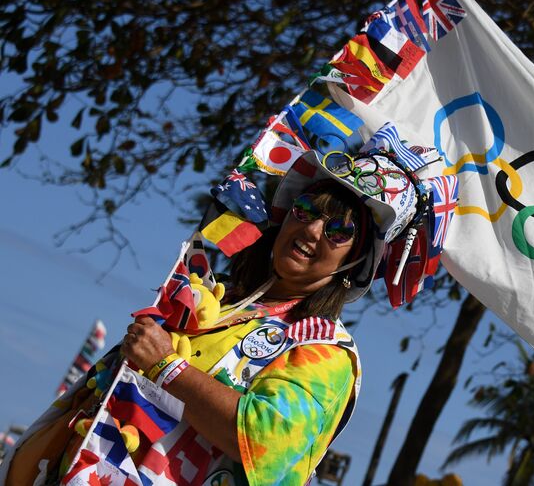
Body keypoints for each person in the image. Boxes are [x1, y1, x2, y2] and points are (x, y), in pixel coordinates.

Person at [0, 144, 441, 486]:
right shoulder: (218, 297)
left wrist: (166, 368)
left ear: (356, 262)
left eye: (339, 229)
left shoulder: (324, 352)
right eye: (305, 211)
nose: (311, 229)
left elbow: (266, 443)